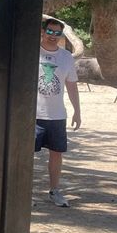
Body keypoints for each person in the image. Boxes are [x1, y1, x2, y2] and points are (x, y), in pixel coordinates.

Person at [36, 17, 81, 208]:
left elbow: (71, 86)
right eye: (50, 31)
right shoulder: (32, 52)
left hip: (56, 115)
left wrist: (77, 111)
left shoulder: (66, 57)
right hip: (33, 114)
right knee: (23, 154)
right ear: (43, 32)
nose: (53, 36)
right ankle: (19, 191)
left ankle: (54, 191)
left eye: (57, 33)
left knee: (56, 154)